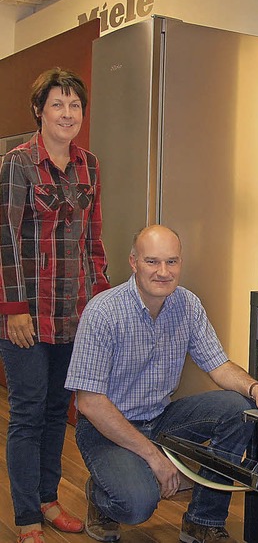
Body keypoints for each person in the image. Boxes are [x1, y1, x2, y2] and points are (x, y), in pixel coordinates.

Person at [65, 224, 258, 543]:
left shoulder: (187, 305)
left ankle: (202, 520)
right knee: (136, 504)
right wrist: (154, 458)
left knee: (241, 408)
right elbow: (90, 403)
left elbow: (220, 366)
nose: (163, 272)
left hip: (159, 418)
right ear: (133, 262)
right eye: (152, 261)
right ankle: (101, 497)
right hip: (106, 427)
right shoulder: (103, 312)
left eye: (172, 262)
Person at [0, 68, 110, 543]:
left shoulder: (90, 165)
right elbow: (5, 241)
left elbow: (93, 240)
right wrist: (13, 309)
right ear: (39, 111)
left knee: (55, 410)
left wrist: (102, 300)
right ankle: (26, 515)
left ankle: (48, 499)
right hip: (27, 314)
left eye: (75, 106)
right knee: (27, 413)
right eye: (58, 105)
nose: (67, 114)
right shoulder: (17, 163)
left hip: (75, 313)